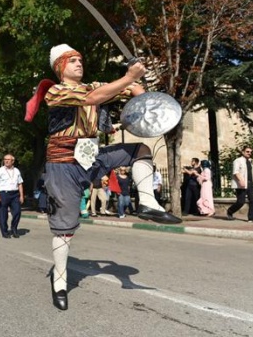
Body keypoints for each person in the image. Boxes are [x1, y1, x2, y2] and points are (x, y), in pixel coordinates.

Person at [25, 44, 181, 310]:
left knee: (140, 150)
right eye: (72, 60)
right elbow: (93, 98)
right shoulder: (55, 90)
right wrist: (129, 77)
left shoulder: (95, 86)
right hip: (63, 165)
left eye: (80, 59)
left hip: (92, 157)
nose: (78, 63)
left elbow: (131, 91)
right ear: (60, 66)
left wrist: (140, 92)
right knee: (65, 229)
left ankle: (147, 203)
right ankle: (60, 282)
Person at [0, 154, 24, 239]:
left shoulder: (17, 171)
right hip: (3, 194)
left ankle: (14, 229)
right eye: (5, 159)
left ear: (12, 161)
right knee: (3, 214)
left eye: (8, 159)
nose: (6, 161)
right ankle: (5, 232)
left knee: (17, 212)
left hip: (14, 194)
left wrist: (21, 196)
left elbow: (20, 184)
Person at [227, 146, 253, 222]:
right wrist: (241, 181)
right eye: (247, 152)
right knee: (240, 202)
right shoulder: (237, 161)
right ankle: (230, 211)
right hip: (241, 184)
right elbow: (235, 172)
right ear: (243, 152)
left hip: (250, 184)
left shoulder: (250, 161)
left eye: (250, 152)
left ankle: (252, 218)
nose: (249, 153)